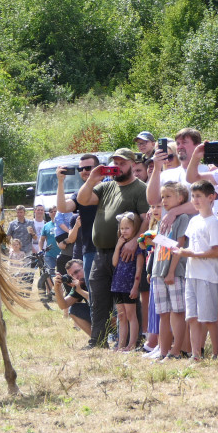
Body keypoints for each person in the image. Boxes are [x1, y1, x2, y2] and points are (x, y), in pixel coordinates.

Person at [75, 149, 149, 349]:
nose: (118, 167)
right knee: (98, 298)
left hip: (126, 254)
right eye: (115, 163)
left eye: (122, 163)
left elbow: (146, 218)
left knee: (128, 300)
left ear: (132, 164)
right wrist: (92, 179)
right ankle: (98, 341)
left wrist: (135, 241)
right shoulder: (106, 186)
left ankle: (135, 340)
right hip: (100, 253)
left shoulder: (140, 188)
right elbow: (82, 200)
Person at [176, 180, 218, 361]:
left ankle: (216, 353)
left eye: (199, 196)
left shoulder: (212, 221)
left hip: (207, 276)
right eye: (193, 196)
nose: (195, 200)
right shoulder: (194, 220)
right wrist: (178, 250)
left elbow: (217, 250)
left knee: (209, 318)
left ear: (211, 198)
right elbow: (189, 246)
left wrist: (192, 254)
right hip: (191, 274)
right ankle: (195, 353)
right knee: (192, 317)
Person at [151, 182, 191, 360]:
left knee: (177, 312)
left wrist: (171, 272)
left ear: (181, 198)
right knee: (163, 313)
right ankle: (163, 351)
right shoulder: (163, 220)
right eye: (162, 197)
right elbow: (162, 245)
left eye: (168, 196)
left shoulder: (182, 218)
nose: (164, 200)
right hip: (158, 271)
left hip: (174, 272)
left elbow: (179, 245)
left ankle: (177, 350)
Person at [57, 154, 100, 286]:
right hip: (90, 250)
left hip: (111, 248)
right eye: (80, 169)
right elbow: (63, 207)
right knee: (93, 292)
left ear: (98, 168)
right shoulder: (79, 194)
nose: (84, 172)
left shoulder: (110, 188)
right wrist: (60, 181)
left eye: (87, 168)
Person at [111, 212, 143, 351]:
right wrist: (118, 247)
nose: (124, 231)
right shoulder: (121, 244)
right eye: (122, 228)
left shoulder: (137, 248)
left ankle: (132, 344)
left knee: (131, 315)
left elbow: (139, 269)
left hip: (129, 285)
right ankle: (121, 344)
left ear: (135, 229)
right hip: (117, 284)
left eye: (127, 228)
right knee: (121, 316)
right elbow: (114, 263)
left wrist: (135, 287)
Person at [53, 258, 91, 337]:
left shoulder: (95, 278)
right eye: (72, 275)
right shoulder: (79, 285)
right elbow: (63, 305)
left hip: (111, 313)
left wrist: (80, 291)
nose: (76, 277)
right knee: (74, 310)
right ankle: (97, 339)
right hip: (97, 316)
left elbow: (98, 301)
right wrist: (57, 289)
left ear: (85, 267)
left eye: (77, 272)